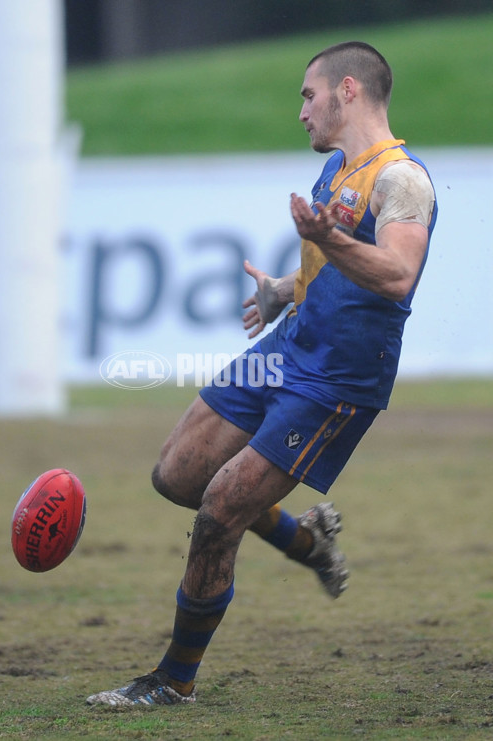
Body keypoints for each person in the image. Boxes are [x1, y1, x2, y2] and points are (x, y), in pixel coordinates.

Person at [86, 40, 437, 707]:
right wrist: (285, 287)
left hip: (337, 379)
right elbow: (335, 273)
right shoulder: (335, 173)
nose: (301, 110)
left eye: (309, 94)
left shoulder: (402, 179)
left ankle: (172, 680)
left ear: (349, 91)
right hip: (289, 346)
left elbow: (396, 275)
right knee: (178, 474)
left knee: (220, 508)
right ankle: (307, 539)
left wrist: (330, 240)